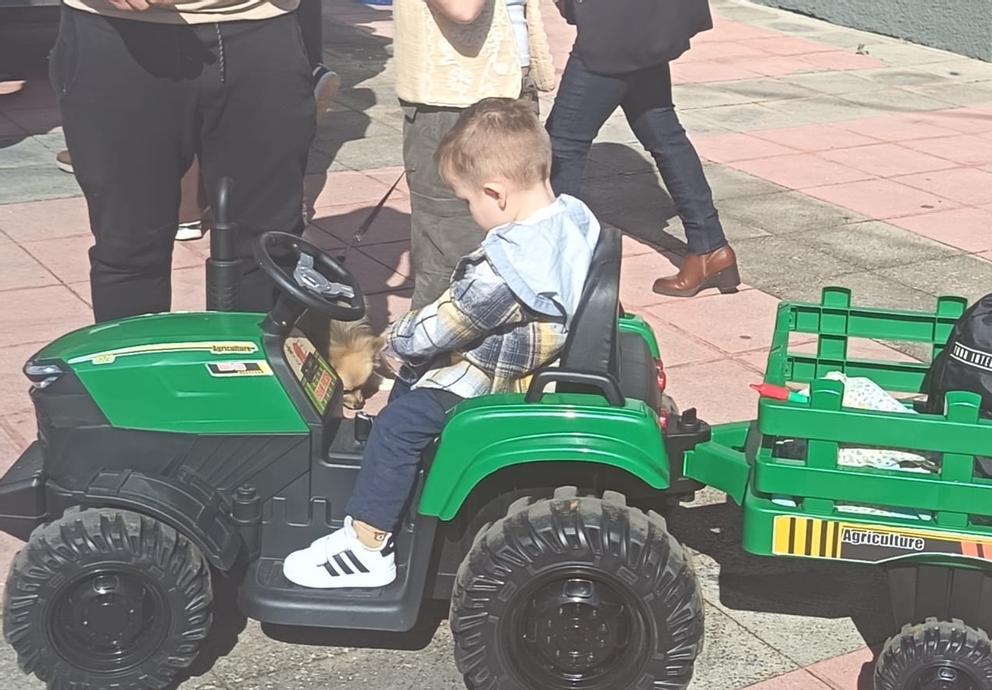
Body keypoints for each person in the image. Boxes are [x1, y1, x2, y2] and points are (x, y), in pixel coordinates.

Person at [283, 98, 599, 588]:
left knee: (397, 427)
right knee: (410, 388)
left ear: (496, 192)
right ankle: (396, 493)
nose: (469, 212)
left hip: (495, 380)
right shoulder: (572, 218)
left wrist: (391, 343)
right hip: (525, 359)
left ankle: (367, 545)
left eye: (467, 201)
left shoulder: (507, 271)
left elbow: (440, 328)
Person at [53, 0, 316, 322]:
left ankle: (256, 355)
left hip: (261, 28)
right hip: (114, 31)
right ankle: (135, 354)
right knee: (128, 248)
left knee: (268, 247)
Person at [547, 0, 740, 298]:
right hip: (640, 22)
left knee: (562, 146)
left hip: (614, 28)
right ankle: (710, 247)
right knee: (663, 133)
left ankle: (558, 265)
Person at [394, 0, 556, 310]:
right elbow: (462, 8)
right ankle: (433, 338)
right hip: (455, 92)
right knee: (455, 262)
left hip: (509, 81)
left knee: (525, 239)